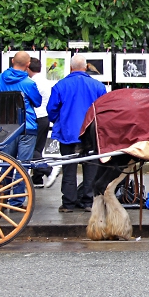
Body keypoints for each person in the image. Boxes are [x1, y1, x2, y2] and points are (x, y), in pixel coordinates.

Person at [47, 54, 107, 212]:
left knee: (69, 168)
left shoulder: (60, 85)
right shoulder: (98, 86)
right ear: (86, 67)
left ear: (70, 68)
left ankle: (68, 203)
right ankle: (88, 202)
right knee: (91, 168)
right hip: (91, 134)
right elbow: (104, 111)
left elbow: (51, 110)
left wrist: (60, 121)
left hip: (68, 133)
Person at [0, 51, 42, 208]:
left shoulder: (0, 79)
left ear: (12, 60)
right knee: (23, 166)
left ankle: (2, 197)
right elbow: (37, 102)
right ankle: (16, 201)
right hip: (26, 127)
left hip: (7, 126)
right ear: (28, 65)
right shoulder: (29, 83)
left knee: (6, 163)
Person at [27, 58, 60, 188]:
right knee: (38, 149)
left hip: (35, 117)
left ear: (28, 68)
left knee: (32, 150)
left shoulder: (31, 82)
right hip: (45, 117)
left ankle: (49, 170)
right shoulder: (46, 82)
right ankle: (37, 179)